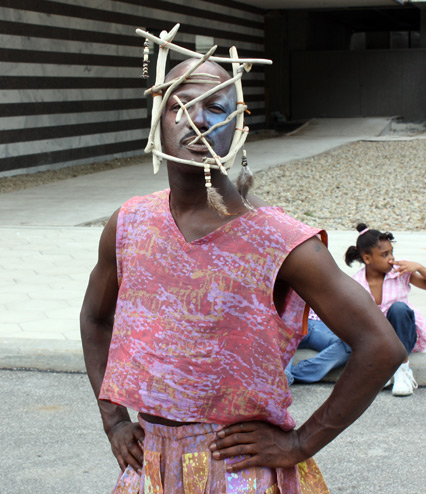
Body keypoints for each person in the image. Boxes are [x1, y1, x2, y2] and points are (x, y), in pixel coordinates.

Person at [80, 26, 405, 494]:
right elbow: (94, 318)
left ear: (238, 123)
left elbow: (382, 347)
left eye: (217, 106)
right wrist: (113, 420)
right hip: (151, 470)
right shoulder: (129, 224)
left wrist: (300, 443)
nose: (198, 119)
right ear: (159, 116)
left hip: (238, 473)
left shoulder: (279, 241)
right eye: (181, 104)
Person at [345, 223, 426, 396]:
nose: (391, 258)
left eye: (391, 253)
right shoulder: (357, 283)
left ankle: (402, 369)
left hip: (403, 335)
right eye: (384, 254)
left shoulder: (400, 272)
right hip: (377, 341)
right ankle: (384, 370)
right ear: (367, 259)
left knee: (398, 309)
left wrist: (418, 267)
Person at [284, 315, 351, 385]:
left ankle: (290, 375)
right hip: (295, 319)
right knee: (280, 338)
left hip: (326, 325)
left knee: (349, 346)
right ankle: (282, 379)